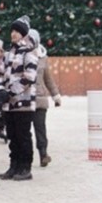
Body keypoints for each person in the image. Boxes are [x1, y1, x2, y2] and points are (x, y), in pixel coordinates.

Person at [0, 15, 40, 182]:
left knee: (23, 135)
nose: (13, 34)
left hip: (23, 102)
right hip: (9, 105)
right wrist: (1, 90)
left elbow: (29, 77)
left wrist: (11, 92)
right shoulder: (8, 54)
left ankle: (25, 167)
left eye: (17, 31)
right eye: (12, 31)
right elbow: (1, 75)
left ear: (23, 34)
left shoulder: (29, 52)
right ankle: (14, 165)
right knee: (12, 136)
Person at [30, 28, 62, 167]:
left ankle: (43, 154)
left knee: (40, 128)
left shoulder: (43, 57)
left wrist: (55, 96)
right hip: (24, 99)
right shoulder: (20, 56)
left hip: (40, 99)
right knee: (24, 131)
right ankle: (25, 157)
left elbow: (48, 79)